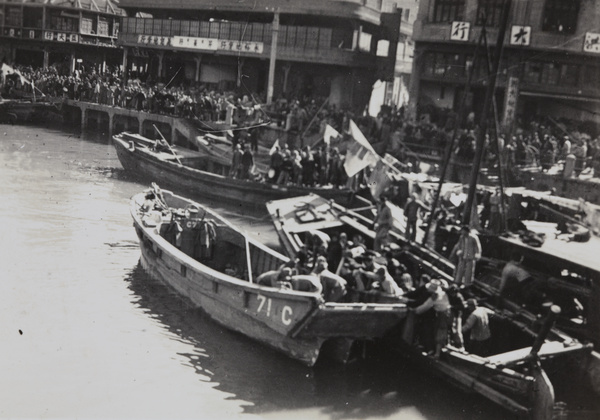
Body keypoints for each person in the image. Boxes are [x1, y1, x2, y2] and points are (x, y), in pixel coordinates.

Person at [414, 279, 451, 358]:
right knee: (442, 331)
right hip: (448, 313)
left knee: (439, 332)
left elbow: (425, 307)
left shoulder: (434, 297)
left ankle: (436, 354)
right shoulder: (442, 292)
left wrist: (415, 311)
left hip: (442, 315)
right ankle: (440, 349)